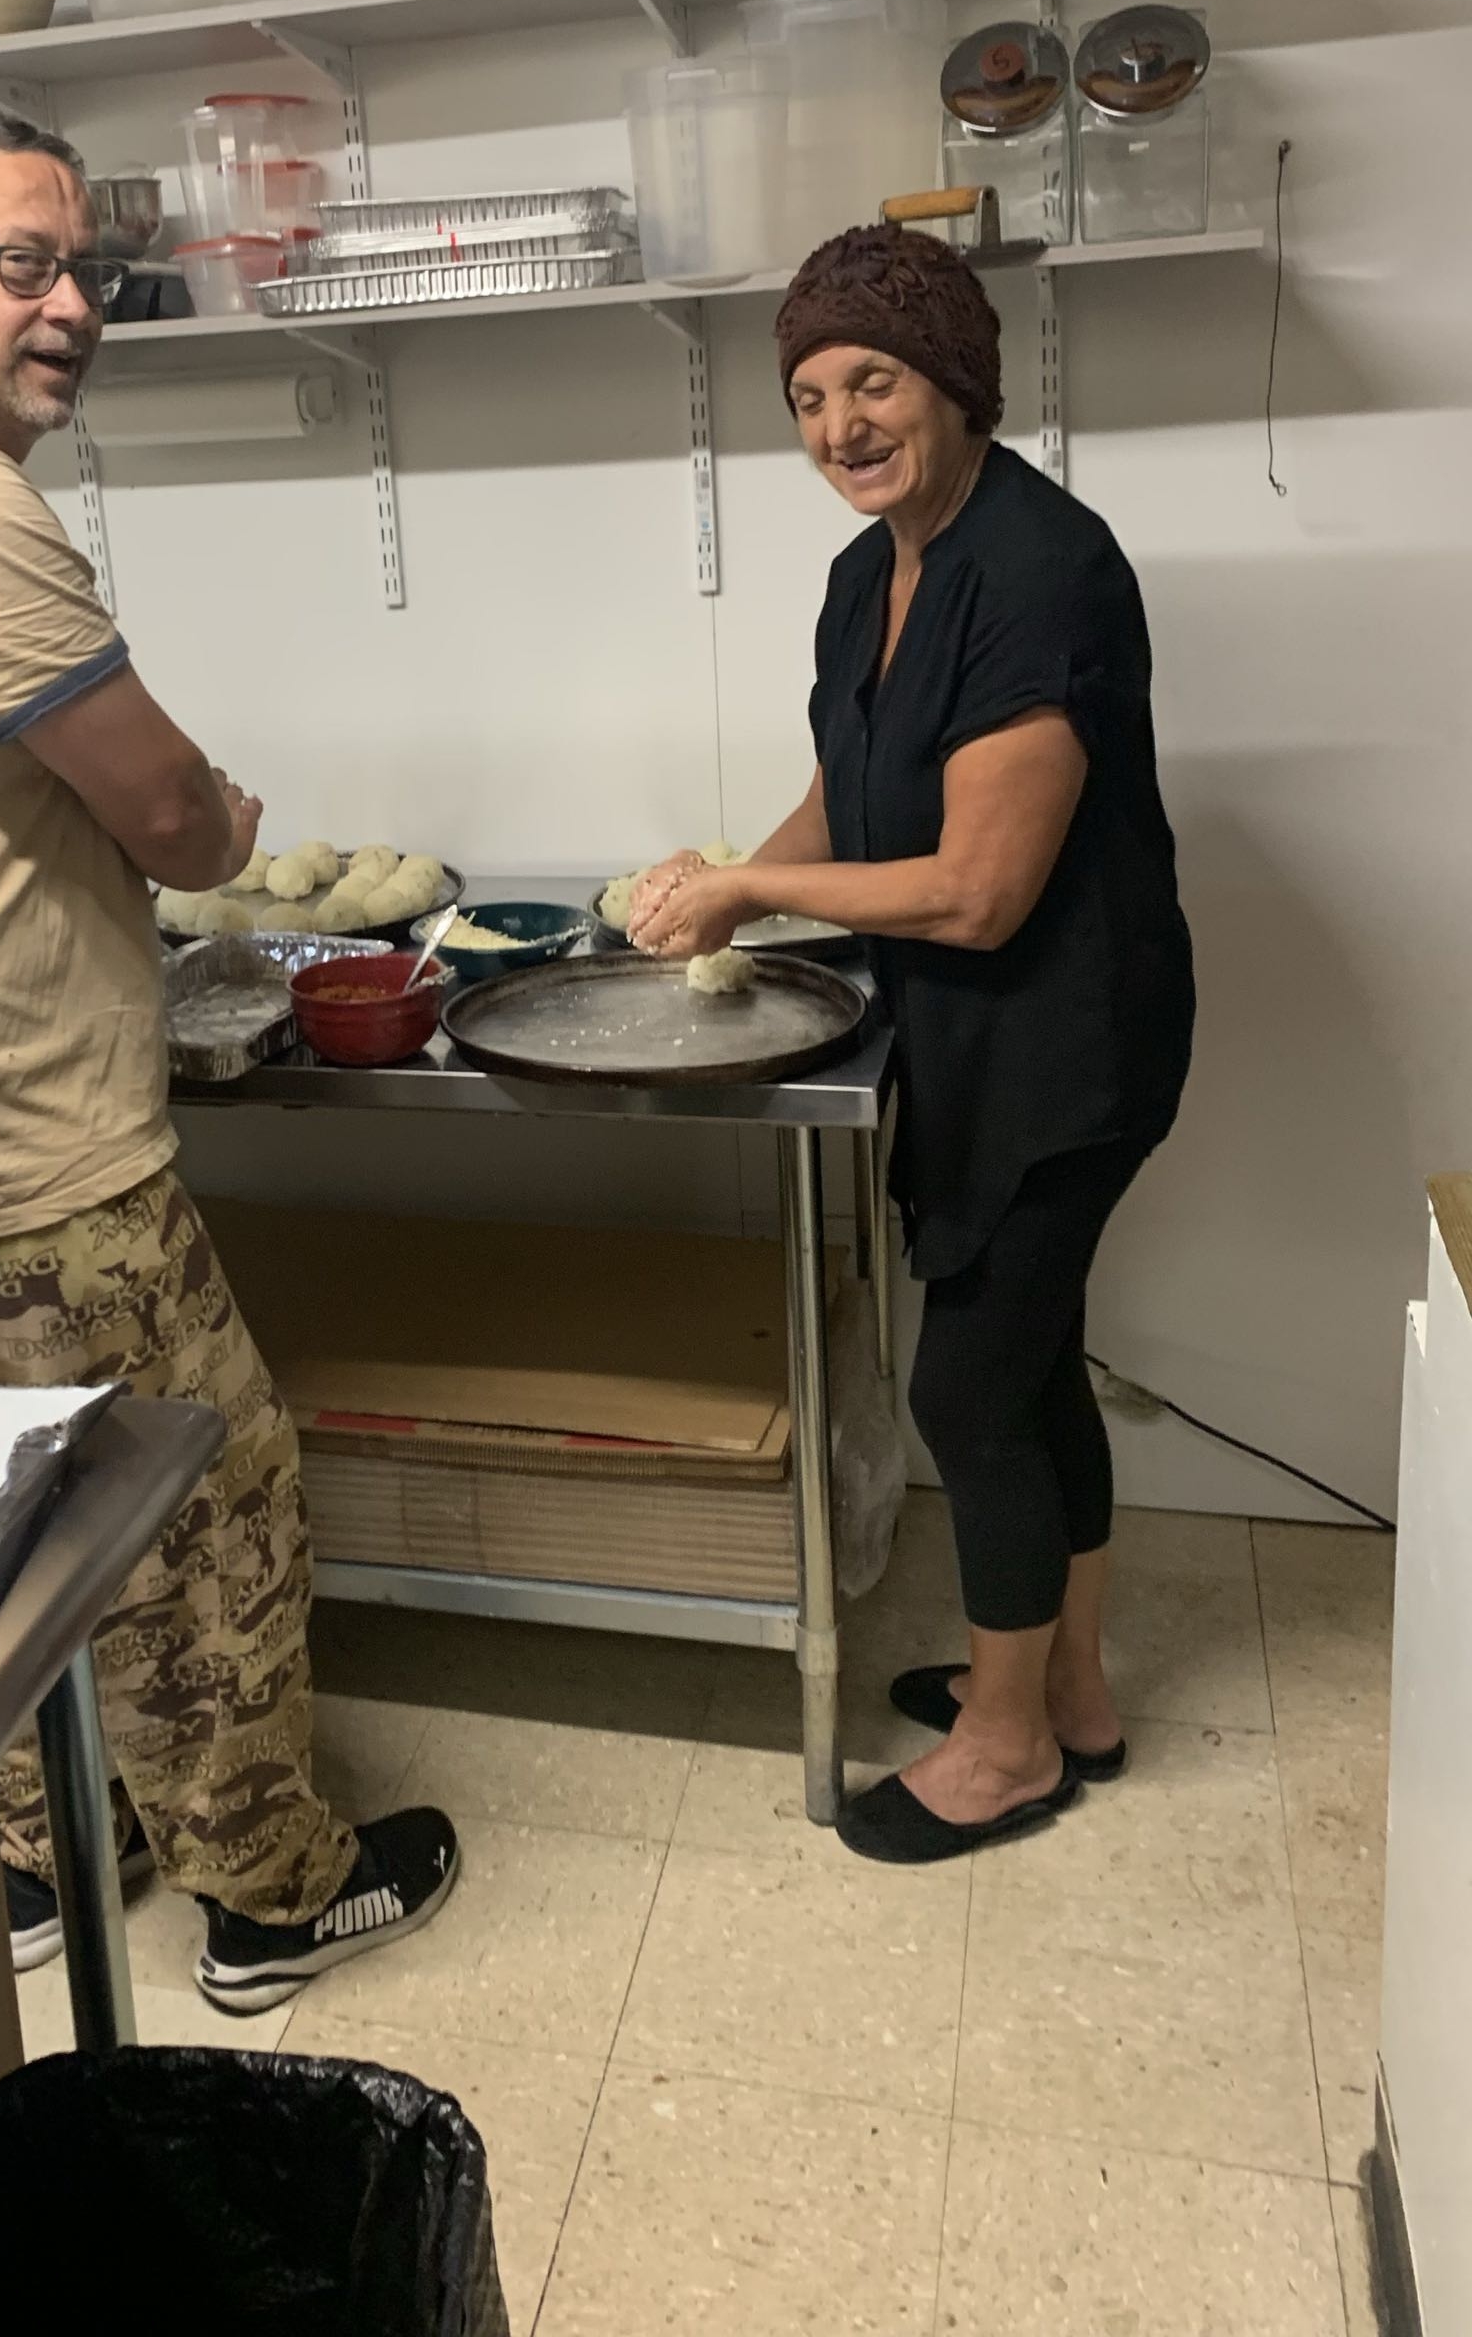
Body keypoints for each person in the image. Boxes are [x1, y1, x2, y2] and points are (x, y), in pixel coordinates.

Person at [0, 110, 457, 2004]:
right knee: (204, 1498)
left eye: (84, 274)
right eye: (18, 265)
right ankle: (272, 1900)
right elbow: (175, 817)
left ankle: (49, 1849)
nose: (65, 307)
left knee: (14, 1506)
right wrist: (213, 824)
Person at [630, 223, 1193, 1865]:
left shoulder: (1041, 567)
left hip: (1069, 1044)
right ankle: (1071, 1691)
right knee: (1031, 1364)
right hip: (963, 1036)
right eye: (806, 396)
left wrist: (755, 884)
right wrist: (735, 886)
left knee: (971, 1384)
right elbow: (856, 793)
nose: (837, 427)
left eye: (871, 382)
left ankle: (1010, 1748)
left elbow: (980, 885)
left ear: (954, 385)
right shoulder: (866, 576)